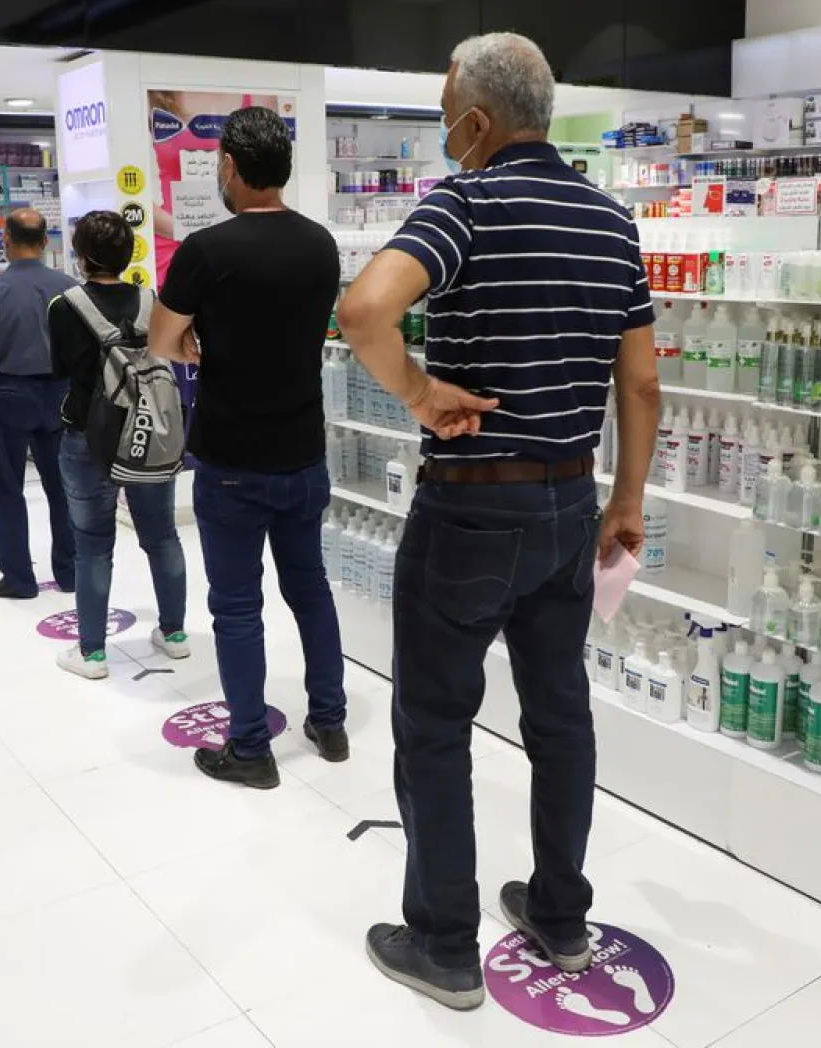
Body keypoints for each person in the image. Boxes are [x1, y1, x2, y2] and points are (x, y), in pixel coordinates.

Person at [338, 32, 660, 1010]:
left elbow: (363, 310)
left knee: (435, 721)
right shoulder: (612, 223)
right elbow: (641, 381)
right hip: (571, 503)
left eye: (446, 119)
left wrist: (423, 390)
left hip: (473, 507)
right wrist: (628, 498)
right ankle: (561, 914)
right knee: (559, 713)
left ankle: (442, 940)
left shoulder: (464, 204)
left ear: (478, 123)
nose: (446, 136)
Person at [149, 107, 349, 791]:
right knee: (311, 591)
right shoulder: (321, 246)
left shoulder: (206, 252)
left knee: (236, 608)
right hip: (304, 452)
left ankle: (249, 750)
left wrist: (198, 344)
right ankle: (330, 720)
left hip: (233, 461)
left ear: (229, 168)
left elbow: (160, 342)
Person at [47, 211, 189, 679]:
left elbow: (61, 369)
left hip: (87, 436)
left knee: (92, 545)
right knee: (162, 536)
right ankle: (174, 636)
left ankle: (92, 654)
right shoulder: (153, 300)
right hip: (150, 432)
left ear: (83, 256)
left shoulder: (64, 306)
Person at [0, 209, 78, 599]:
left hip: (9, 396)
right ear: (46, 242)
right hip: (61, 395)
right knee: (62, 487)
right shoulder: (69, 287)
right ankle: (70, 572)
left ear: (6, 241)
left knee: (6, 488)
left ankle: (19, 579)